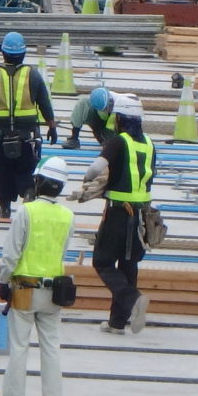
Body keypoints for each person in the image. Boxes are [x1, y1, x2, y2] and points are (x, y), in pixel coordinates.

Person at [0, 156, 75, 396]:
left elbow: (11, 254)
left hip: (24, 289)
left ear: (38, 181)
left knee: (20, 344)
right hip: (55, 292)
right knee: (51, 345)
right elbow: (62, 252)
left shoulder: (26, 212)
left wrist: (2, 281)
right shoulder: (67, 216)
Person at [79, 91, 154, 334]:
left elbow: (95, 169)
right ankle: (117, 322)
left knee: (102, 261)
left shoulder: (118, 141)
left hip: (118, 213)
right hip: (142, 214)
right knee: (129, 264)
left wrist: (89, 181)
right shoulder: (150, 144)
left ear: (120, 118)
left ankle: (132, 299)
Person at [0, 32, 58, 218]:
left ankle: (4, 208)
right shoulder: (32, 74)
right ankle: (28, 193)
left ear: (3, 52)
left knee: (2, 173)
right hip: (26, 135)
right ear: (24, 53)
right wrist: (52, 126)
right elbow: (44, 102)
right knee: (26, 169)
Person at [64, 86, 114, 151]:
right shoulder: (97, 101)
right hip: (98, 124)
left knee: (112, 145)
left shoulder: (119, 104)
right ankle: (74, 138)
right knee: (83, 102)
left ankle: (110, 141)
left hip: (113, 130)